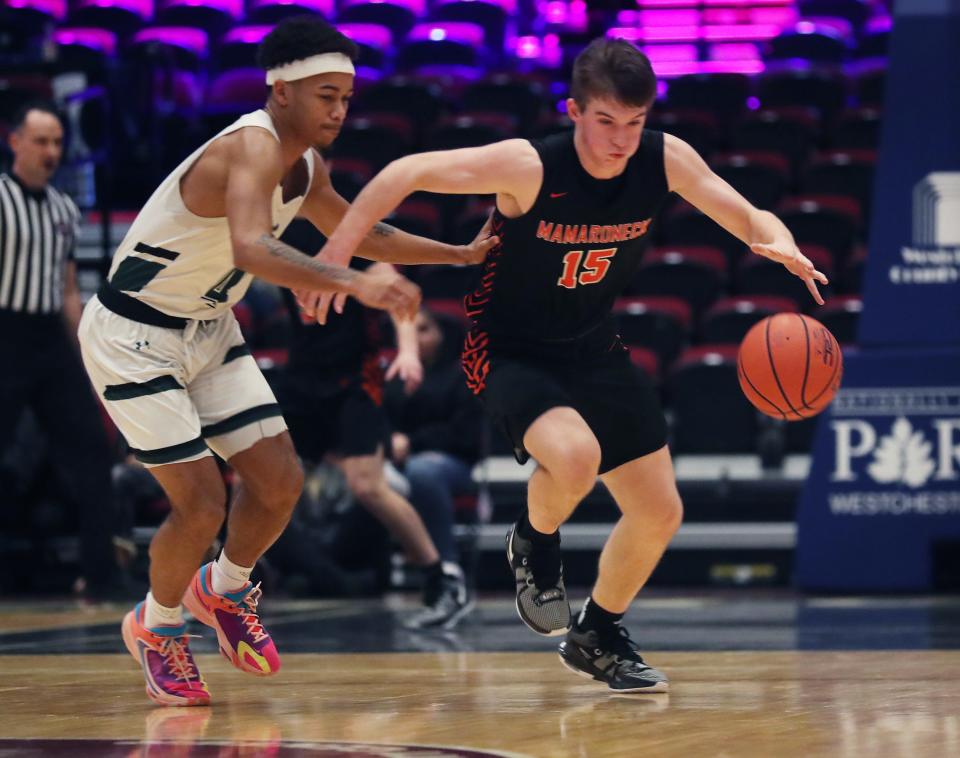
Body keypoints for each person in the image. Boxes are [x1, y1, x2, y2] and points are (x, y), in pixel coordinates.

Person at [306, 38, 828, 693]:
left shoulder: (663, 159)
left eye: (634, 123)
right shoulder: (528, 167)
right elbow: (400, 173)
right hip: (507, 348)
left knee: (660, 510)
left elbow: (746, 213)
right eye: (605, 121)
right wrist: (335, 255)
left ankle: (598, 633)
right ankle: (533, 540)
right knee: (575, 457)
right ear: (574, 110)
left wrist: (778, 241)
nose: (620, 140)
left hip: (591, 345)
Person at [77, 16, 496, 707]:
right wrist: (357, 282)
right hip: (133, 336)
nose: (338, 110)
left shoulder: (306, 166)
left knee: (279, 481)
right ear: (281, 91)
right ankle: (156, 626)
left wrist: (459, 256)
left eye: (346, 97)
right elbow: (250, 247)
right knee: (202, 501)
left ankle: (225, 589)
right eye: (325, 95)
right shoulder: (250, 146)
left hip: (208, 327)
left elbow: (363, 230)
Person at [274, 220, 471, 628]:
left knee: (367, 485)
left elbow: (398, 295)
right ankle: (226, 583)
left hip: (354, 381)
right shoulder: (274, 234)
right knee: (257, 486)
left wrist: (409, 351)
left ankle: (442, 578)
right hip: (301, 379)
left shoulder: (350, 235)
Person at [0, 102, 122, 598]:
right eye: (41, 141)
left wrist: (86, 354)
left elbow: (69, 289)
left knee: (93, 451)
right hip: (3, 335)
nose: (51, 152)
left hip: (48, 338)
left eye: (56, 143)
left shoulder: (64, 210)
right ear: (16, 142)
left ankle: (102, 575)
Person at [383, 307, 485, 628]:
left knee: (423, 471)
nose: (417, 337)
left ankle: (448, 571)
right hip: (394, 464)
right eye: (412, 330)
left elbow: (466, 435)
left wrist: (411, 442)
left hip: (453, 463)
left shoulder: (464, 374)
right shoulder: (395, 376)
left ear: (443, 333)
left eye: (425, 329)